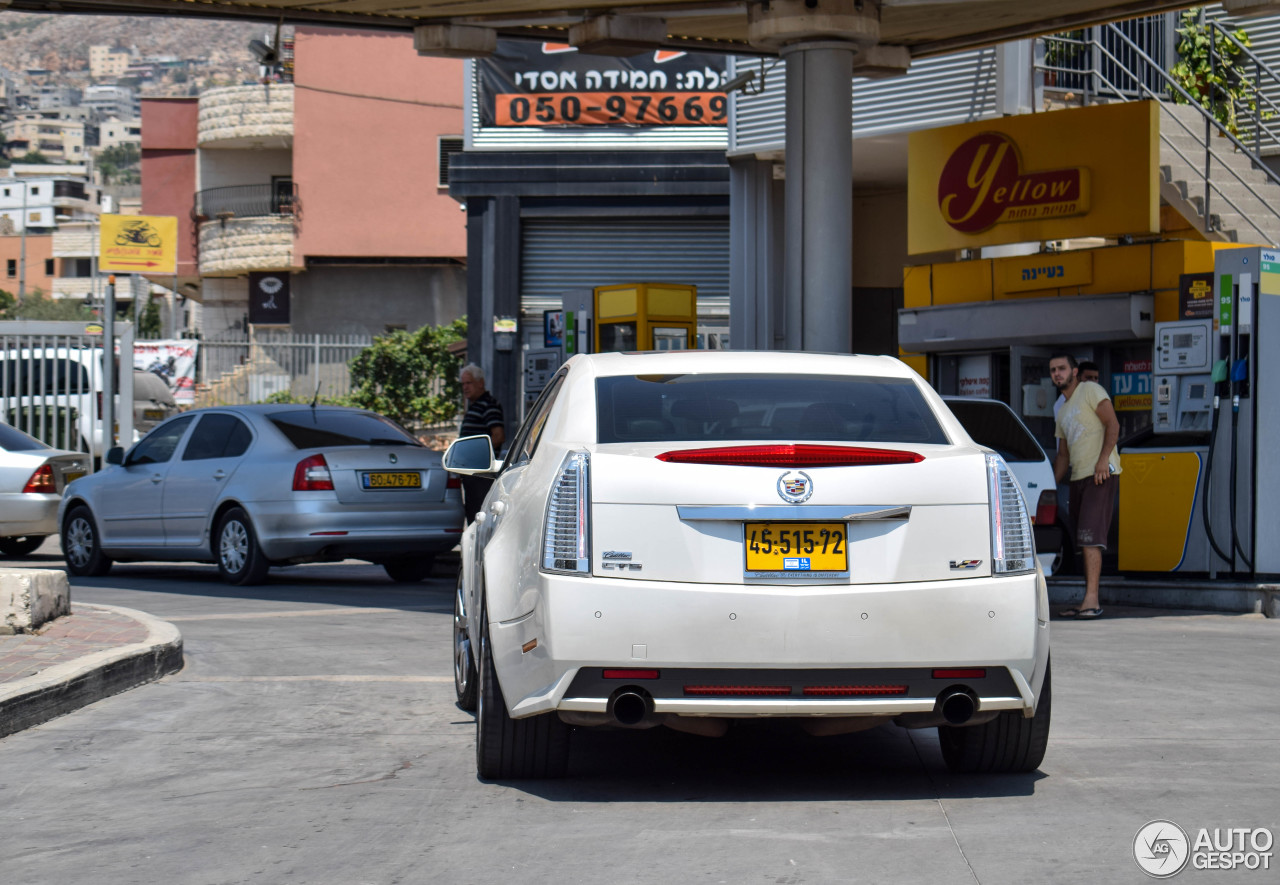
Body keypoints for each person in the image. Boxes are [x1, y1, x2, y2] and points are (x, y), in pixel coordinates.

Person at [1050, 353, 1120, 619]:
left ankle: (1091, 601)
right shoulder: (1063, 410)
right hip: (1078, 478)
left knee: (1091, 540)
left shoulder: (1091, 390)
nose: (1057, 374)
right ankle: (1086, 601)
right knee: (1083, 541)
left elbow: (1113, 424)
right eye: (1053, 370)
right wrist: (1047, 485)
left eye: (1062, 368)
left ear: (1074, 371)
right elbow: (1063, 457)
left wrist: (1103, 461)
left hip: (1100, 475)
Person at [458, 363, 505, 524]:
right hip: (472, 475)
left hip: (481, 476)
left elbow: (498, 436)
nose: (465, 387)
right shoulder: (475, 406)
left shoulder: (488, 404)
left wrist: (476, 457)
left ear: (480, 383)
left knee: (479, 518)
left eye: (468, 383)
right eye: (463, 384)